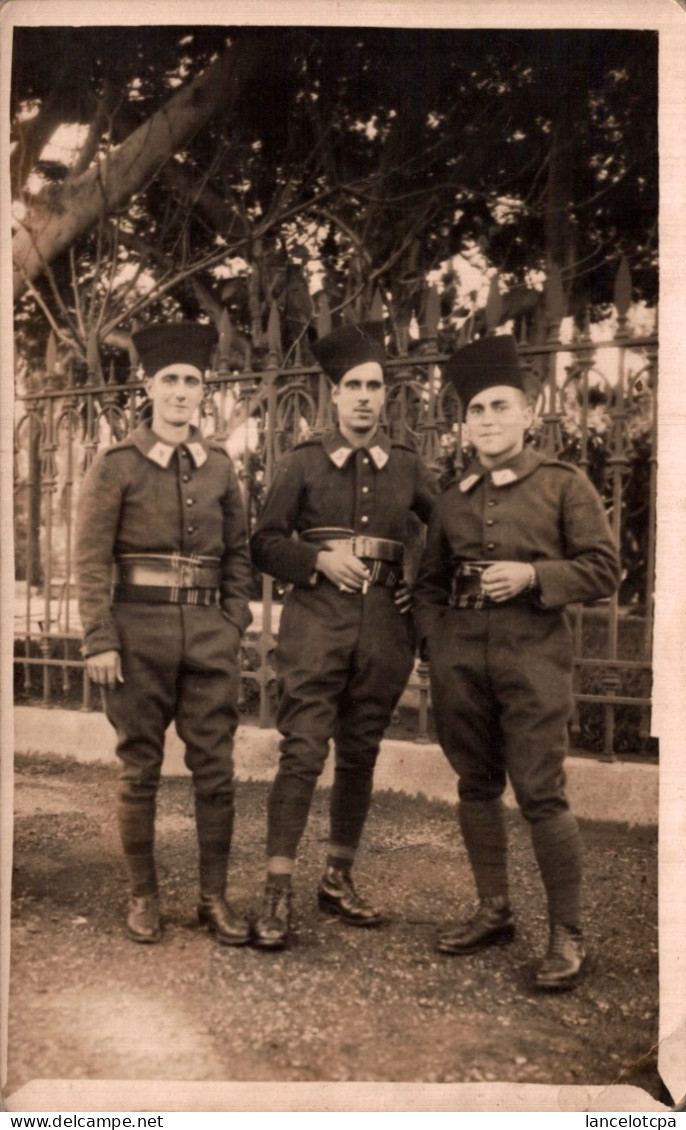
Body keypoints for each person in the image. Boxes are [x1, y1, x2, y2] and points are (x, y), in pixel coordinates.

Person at [413, 334, 620, 990]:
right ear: (464, 423)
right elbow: (427, 585)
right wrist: (438, 646)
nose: (489, 419)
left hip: (533, 660)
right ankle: (493, 909)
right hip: (462, 663)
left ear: (529, 414)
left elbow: (605, 568)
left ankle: (567, 932)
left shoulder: (564, 484)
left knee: (539, 790)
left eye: (501, 406)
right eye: (477, 409)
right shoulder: (452, 496)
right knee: (475, 785)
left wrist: (533, 576)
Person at [249, 321, 436, 949]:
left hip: (386, 628)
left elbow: (452, 529)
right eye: (352, 385)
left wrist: (420, 580)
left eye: (374, 386)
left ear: (386, 396)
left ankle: (337, 877)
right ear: (334, 395)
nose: (363, 396)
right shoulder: (302, 463)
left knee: (361, 752)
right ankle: (277, 889)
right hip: (315, 626)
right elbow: (264, 542)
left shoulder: (407, 465)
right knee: (303, 751)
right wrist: (317, 560)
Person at [75, 321, 253, 947]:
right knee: (139, 769)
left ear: (204, 391)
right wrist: (99, 637)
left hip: (209, 635)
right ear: (149, 388)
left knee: (217, 770)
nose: (181, 391)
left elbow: (238, 554)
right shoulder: (116, 465)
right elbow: (91, 557)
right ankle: (144, 896)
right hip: (136, 634)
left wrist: (233, 622)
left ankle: (214, 899)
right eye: (170, 380)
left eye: (192, 381)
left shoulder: (220, 467)